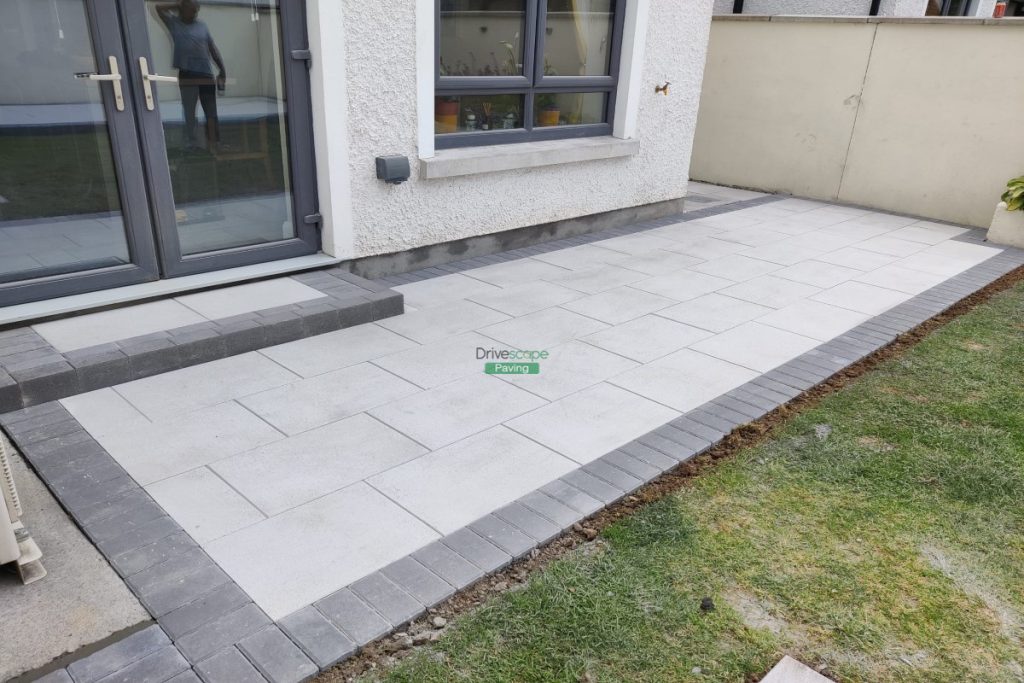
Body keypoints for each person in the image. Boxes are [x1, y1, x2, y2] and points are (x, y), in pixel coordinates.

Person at [153, 0, 227, 150]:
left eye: (196, 10)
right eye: (192, 10)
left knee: (211, 110)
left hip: (206, 74)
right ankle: (191, 142)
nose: (195, 13)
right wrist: (179, 4)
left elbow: (212, 49)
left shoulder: (202, 26)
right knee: (189, 110)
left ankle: (214, 142)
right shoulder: (174, 23)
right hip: (187, 74)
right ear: (183, 8)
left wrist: (222, 69)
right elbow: (158, 8)